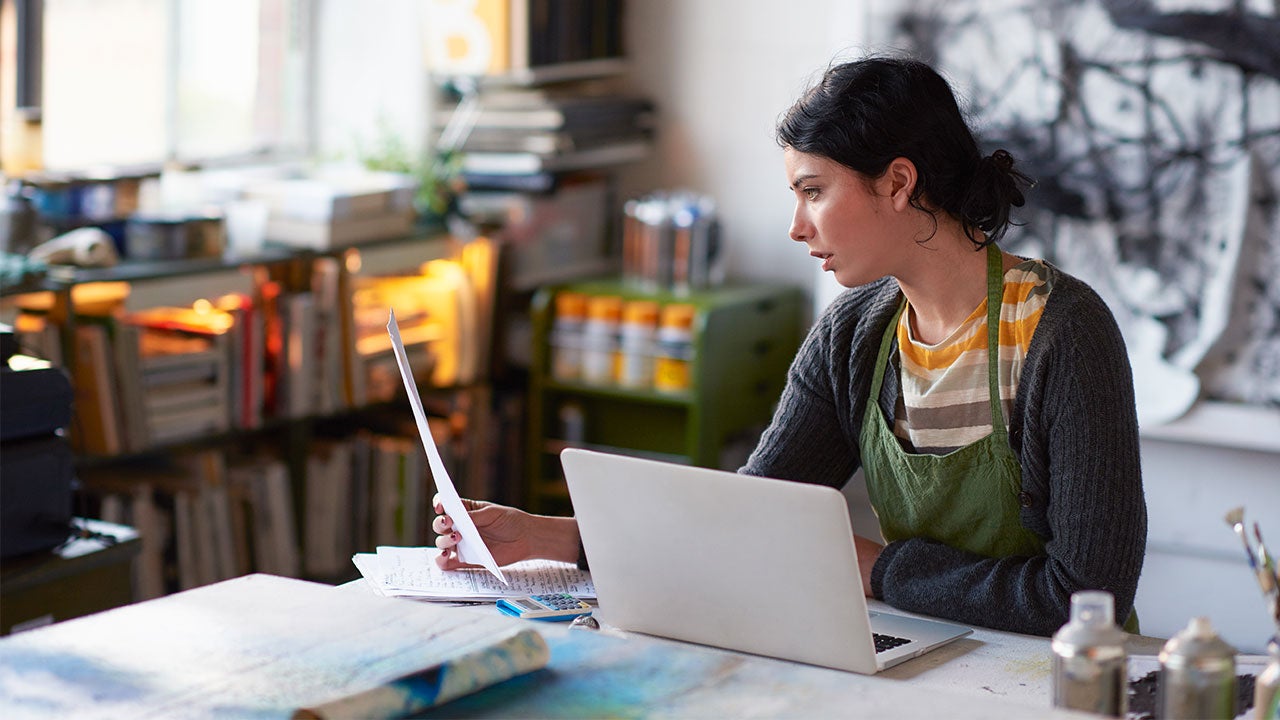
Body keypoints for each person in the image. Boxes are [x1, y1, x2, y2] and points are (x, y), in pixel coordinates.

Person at [432, 55, 1146, 637]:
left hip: (1059, 682)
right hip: (926, 651)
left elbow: (1087, 600)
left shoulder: (1063, 332)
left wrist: (878, 571)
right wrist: (549, 538)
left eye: (814, 191)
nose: (796, 226)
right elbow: (745, 519)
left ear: (899, 183)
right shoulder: (855, 334)